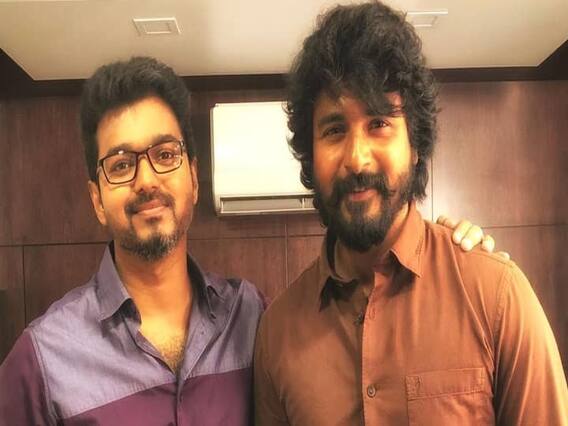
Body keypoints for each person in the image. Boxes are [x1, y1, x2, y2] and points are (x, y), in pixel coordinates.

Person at [0, 58, 495, 424]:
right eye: (122, 164)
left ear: (194, 178)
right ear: (96, 198)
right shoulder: (42, 358)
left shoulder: (252, 317)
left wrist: (446, 250)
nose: (146, 180)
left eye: (165, 155)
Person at [254, 2, 568, 425]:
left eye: (379, 123)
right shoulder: (277, 334)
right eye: (334, 129)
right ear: (310, 156)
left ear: (415, 145)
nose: (357, 158)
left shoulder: (495, 295)